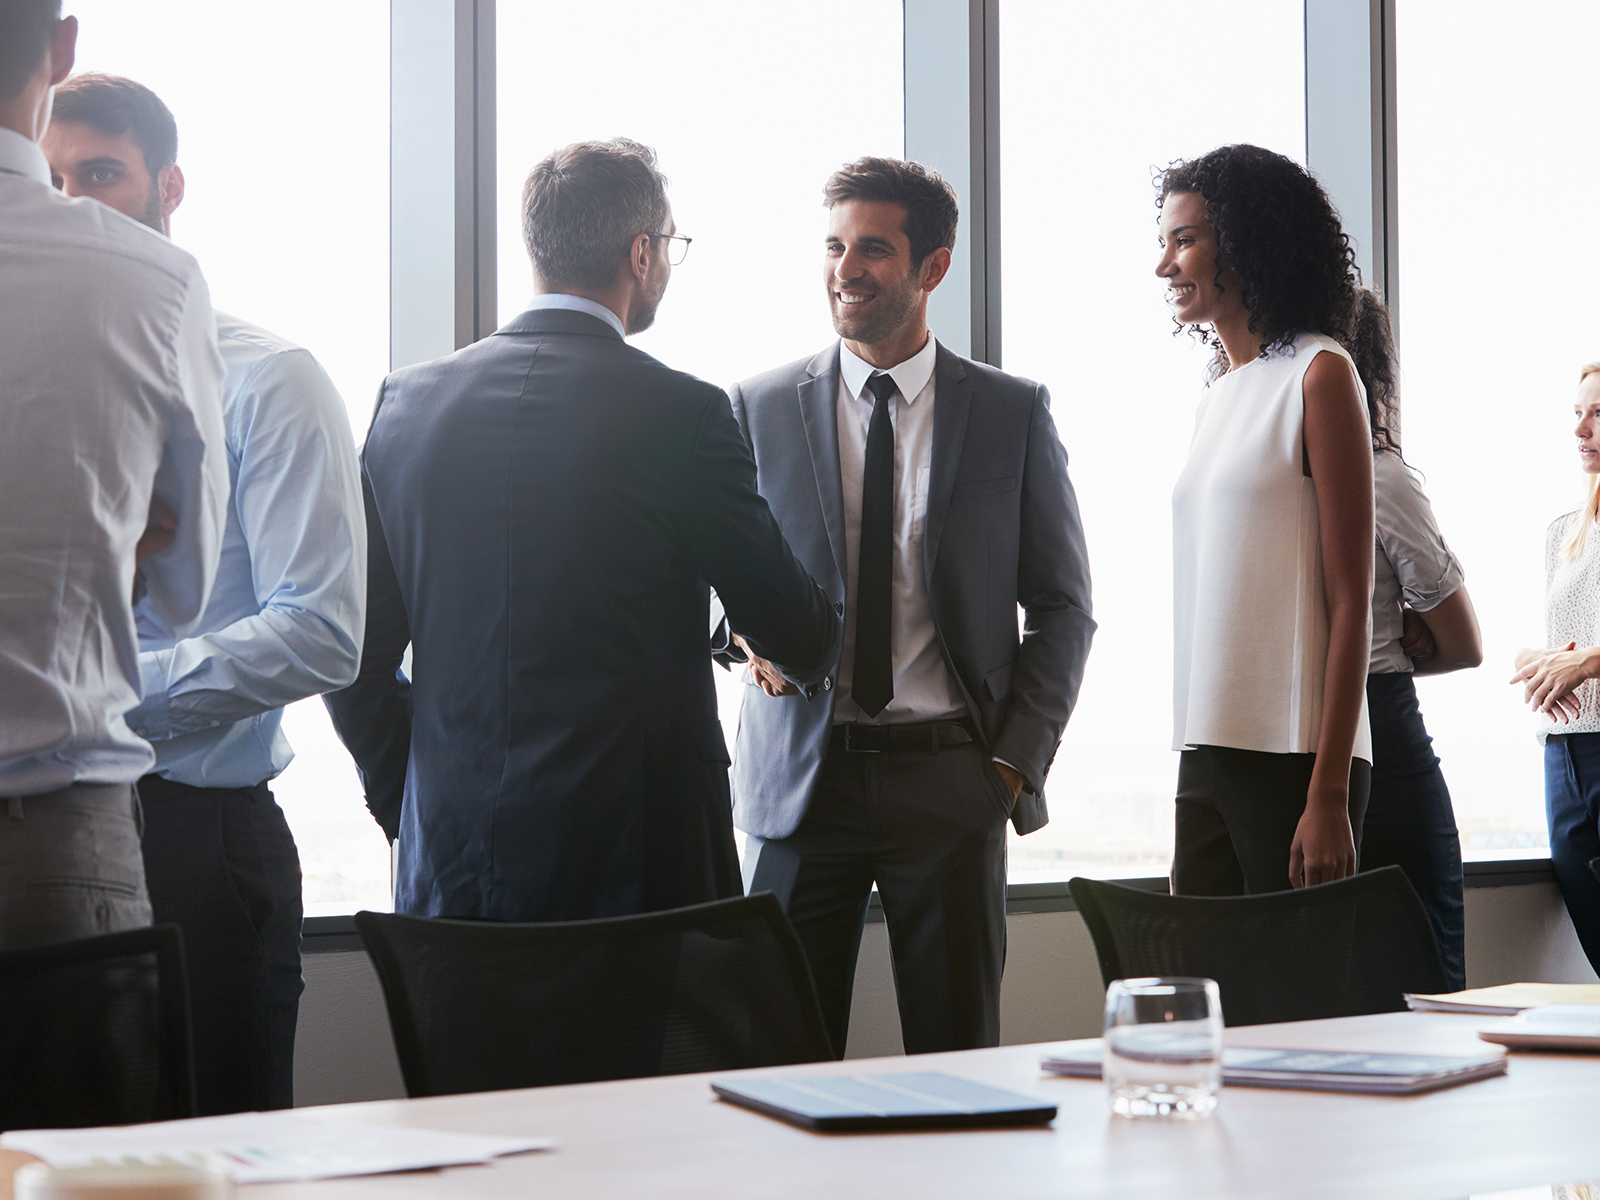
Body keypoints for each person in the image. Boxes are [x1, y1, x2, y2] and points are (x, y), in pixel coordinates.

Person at [326, 138, 840, 922]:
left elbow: (355, 653)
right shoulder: (685, 414)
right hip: (639, 877)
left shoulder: (406, 406)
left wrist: (418, 796)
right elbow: (798, 635)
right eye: (670, 245)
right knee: (645, 1053)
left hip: (454, 871)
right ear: (642, 252)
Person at [42, 73, 367, 1114]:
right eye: (50, 179)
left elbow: (322, 627)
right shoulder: (30, 378)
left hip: (193, 841)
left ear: (168, 187)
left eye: (101, 175)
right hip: (44, 827)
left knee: (214, 1157)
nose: (73, 204)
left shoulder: (269, 379)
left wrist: (100, 703)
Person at [723, 157, 1094, 1056]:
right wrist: (737, 636)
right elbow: (712, 578)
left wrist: (1008, 767)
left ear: (933, 267)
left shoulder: (1011, 412)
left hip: (950, 783)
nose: (846, 269)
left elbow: (1063, 607)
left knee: (960, 1060)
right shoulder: (757, 405)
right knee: (778, 1058)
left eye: (873, 250)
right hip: (799, 788)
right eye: (835, 246)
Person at [0, 2, 228, 949]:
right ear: (61, 48)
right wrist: (113, 541)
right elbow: (182, 589)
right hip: (54, 840)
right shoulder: (157, 283)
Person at [1157, 144, 1374, 896]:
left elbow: (1351, 600)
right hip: (1205, 747)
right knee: (1212, 993)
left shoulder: (1320, 373)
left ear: (1246, 242)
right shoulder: (1216, 398)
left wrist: (1330, 793)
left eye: (1184, 241)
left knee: (1295, 1006)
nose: (1166, 266)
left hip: (1295, 756)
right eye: (1165, 243)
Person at [1349, 289, 1480, 990]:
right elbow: (1454, 644)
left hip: (1385, 740)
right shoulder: (1374, 474)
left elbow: (1465, 643)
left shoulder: (1380, 476)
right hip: (1368, 721)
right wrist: (1396, 639)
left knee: (1417, 988)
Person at [1510, 361, 1600, 975]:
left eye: (1598, 415)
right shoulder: (1563, 531)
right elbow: (1557, 644)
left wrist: (1589, 662)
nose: (1581, 429)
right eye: (1577, 413)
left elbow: (1584, 653)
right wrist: (1533, 662)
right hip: (1561, 759)